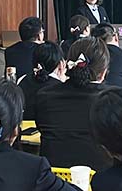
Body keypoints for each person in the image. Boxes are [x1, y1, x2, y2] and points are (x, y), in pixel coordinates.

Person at [35, 38, 113, 171]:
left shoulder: (44, 96)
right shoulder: (115, 99)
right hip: (101, 180)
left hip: (52, 178)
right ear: (103, 72)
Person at [18, 41, 65, 121]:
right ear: (61, 64)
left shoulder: (22, 79)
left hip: (23, 126)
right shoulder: (61, 87)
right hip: (49, 127)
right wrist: (62, 82)